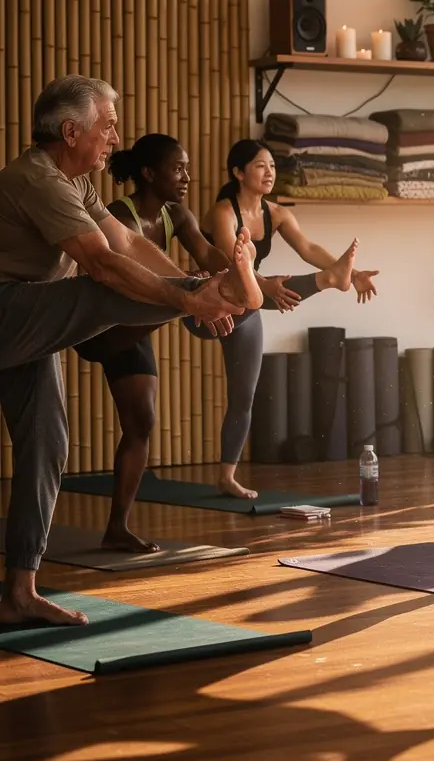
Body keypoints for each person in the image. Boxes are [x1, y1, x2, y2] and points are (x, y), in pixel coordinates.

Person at [0, 76, 261, 626]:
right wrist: (192, 300)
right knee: (102, 291)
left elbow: (131, 244)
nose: (115, 138)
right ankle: (217, 292)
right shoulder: (37, 178)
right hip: (6, 311)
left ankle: (20, 591)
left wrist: (195, 288)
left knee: (47, 442)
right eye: (107, 126)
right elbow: (103, 265)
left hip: (28, 322)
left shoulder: (78, 184)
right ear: (71, 132)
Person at [72, 133, 305, 552]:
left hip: (138, 328)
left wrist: (247, 275)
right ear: (148, 173)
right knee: (193, 299)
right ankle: (210, 303)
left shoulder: (176, 213)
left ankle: (116, 529)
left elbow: (205, 252)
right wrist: (203, 294)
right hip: (99, 328)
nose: (186, 177)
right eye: (177, 168)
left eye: (187, 167)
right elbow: (141, 278)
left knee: (141, 422)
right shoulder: (119, 217)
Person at [197, 139, 379, 499]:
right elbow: (231, 264)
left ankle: (226, 477)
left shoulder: (277, 213)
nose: (269, 173)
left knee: (243, 395)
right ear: (238, 172)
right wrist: (267, 286)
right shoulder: (223, 212)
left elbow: (308, 248)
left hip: (248, 307)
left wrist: (353, 273)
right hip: (209, 301)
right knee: (250, 265)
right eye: (261, 166)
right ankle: (328, 281)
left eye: (273, 167)